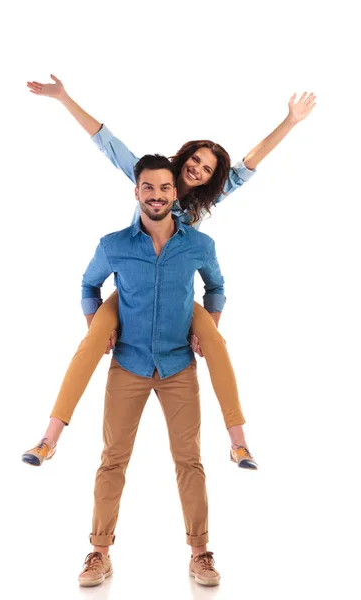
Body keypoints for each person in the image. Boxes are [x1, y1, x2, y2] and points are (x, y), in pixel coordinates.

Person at [22, 75, 316, 469]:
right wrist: (63, 97)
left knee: (215, 341)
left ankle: (239, 442)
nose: (198, 169)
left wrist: (291, 121)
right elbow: (108, 143)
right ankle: (48, 439)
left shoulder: (206, 201)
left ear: (212, 178)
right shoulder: (152, 177)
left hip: (176, 289)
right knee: (90, 344)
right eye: (195, 159)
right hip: (135, 284)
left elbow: (249, 162)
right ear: (183, 159)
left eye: (208, 169)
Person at [78, 154, 225, 587]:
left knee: (189, 461)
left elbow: (216, 286)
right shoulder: (113, 245)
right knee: (112, 460)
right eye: (148, 187)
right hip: (128, 363)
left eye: (164, 188)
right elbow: (89, 285)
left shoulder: (199, 245)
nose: (157, 195)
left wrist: (209, 329)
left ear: (175, 193)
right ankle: (99, 553)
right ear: (136, 191)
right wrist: (96, 328)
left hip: (179, 364)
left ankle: (200, 553)